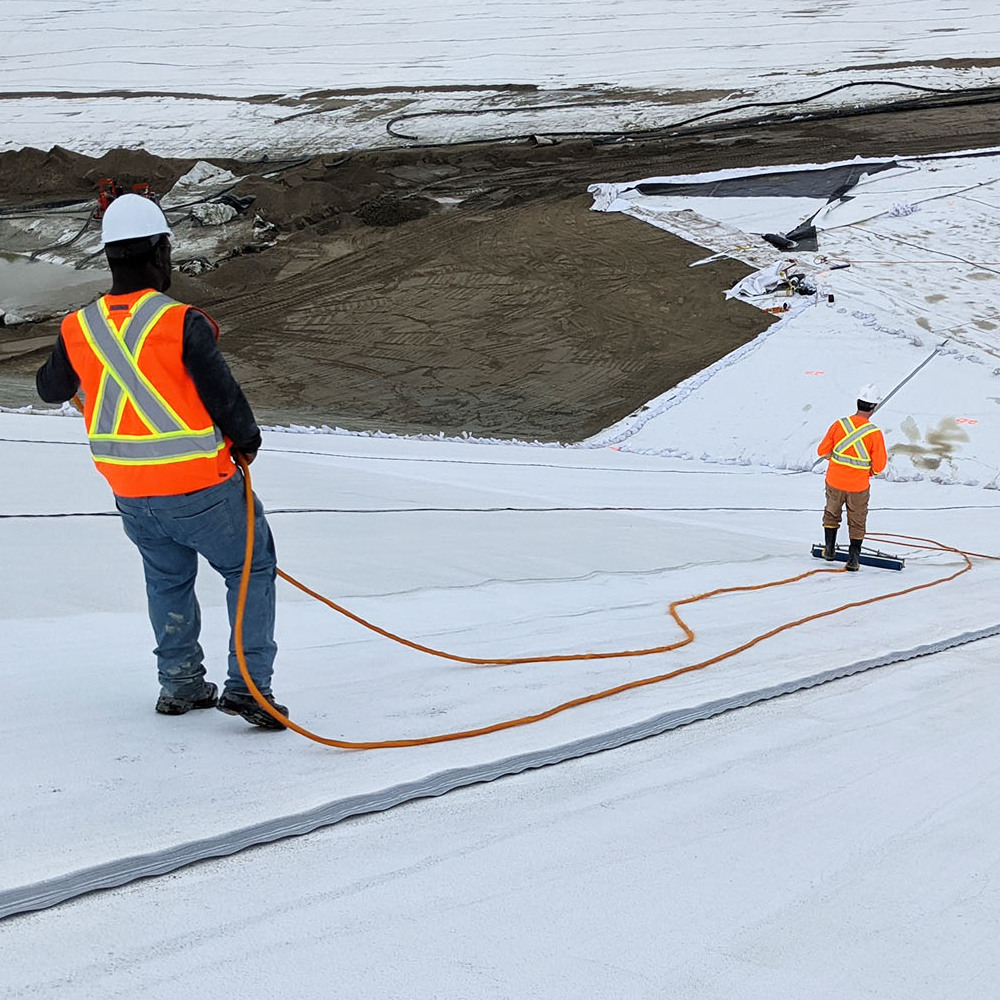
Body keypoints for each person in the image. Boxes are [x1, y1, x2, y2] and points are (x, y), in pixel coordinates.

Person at [36, 193, 287, 729]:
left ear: (109, 257)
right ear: (157, 252)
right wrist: (246, 442)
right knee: (250, 568)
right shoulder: (180, 322)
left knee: (167, 580)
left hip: (132, 495)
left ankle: (180, 685)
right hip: (202, 488)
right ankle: (250, 690)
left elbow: (50, 389)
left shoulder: (79, 328)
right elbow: (223, 396)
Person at [817, 384, 888, 571]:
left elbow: (822, 451)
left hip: (834, 481)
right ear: (874, 407)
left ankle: (830, 551)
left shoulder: (839, 425)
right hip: (858, 486)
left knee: (831, 514)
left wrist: (837, 463)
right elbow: (880, 466)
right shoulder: (875, 433)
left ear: (858, 402)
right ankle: (853, 560)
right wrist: (868, 471)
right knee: (857, 520)